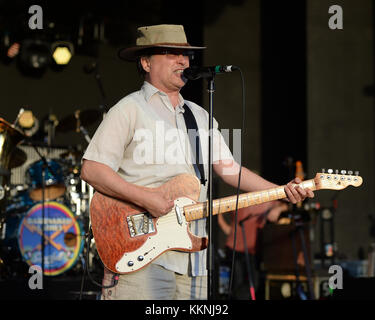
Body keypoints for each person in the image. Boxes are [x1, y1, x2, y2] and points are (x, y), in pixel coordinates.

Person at [80, 24, 314, 300]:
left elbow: (230, 169)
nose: (183, 60)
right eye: (171, 53)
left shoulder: (199, 115)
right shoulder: (129, 109)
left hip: (194, 261)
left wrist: (281, 191)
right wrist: (146, 198)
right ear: (145, 62)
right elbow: (91, 169)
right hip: (140, 253)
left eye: (186, 55)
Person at [218, 200, 289, 299]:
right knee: (237, 283)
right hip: (234, 248)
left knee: (253, 283)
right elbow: (218, 207)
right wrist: (225, 227)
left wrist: (278, 209)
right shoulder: (238, 200)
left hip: (252, 250)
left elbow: (285, 205)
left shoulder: (265, 201)